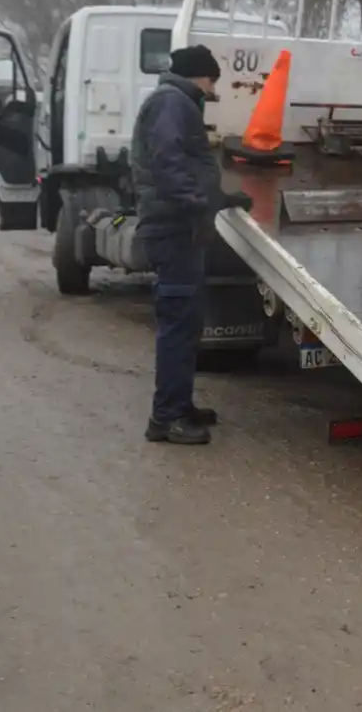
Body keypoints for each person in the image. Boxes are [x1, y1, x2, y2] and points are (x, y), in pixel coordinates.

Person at [131, 44, 252, 446]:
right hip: (174, 228)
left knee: (187, 322)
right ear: (199, 75)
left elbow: (186, 166)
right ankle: (165, 418)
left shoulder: (178, 102)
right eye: (213, 78)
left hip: (180, 225)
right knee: (179, 324)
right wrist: (198, 205)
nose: (214, 87)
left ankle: (179, 405)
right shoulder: (173, 103)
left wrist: (222, 200)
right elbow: (168, 163)